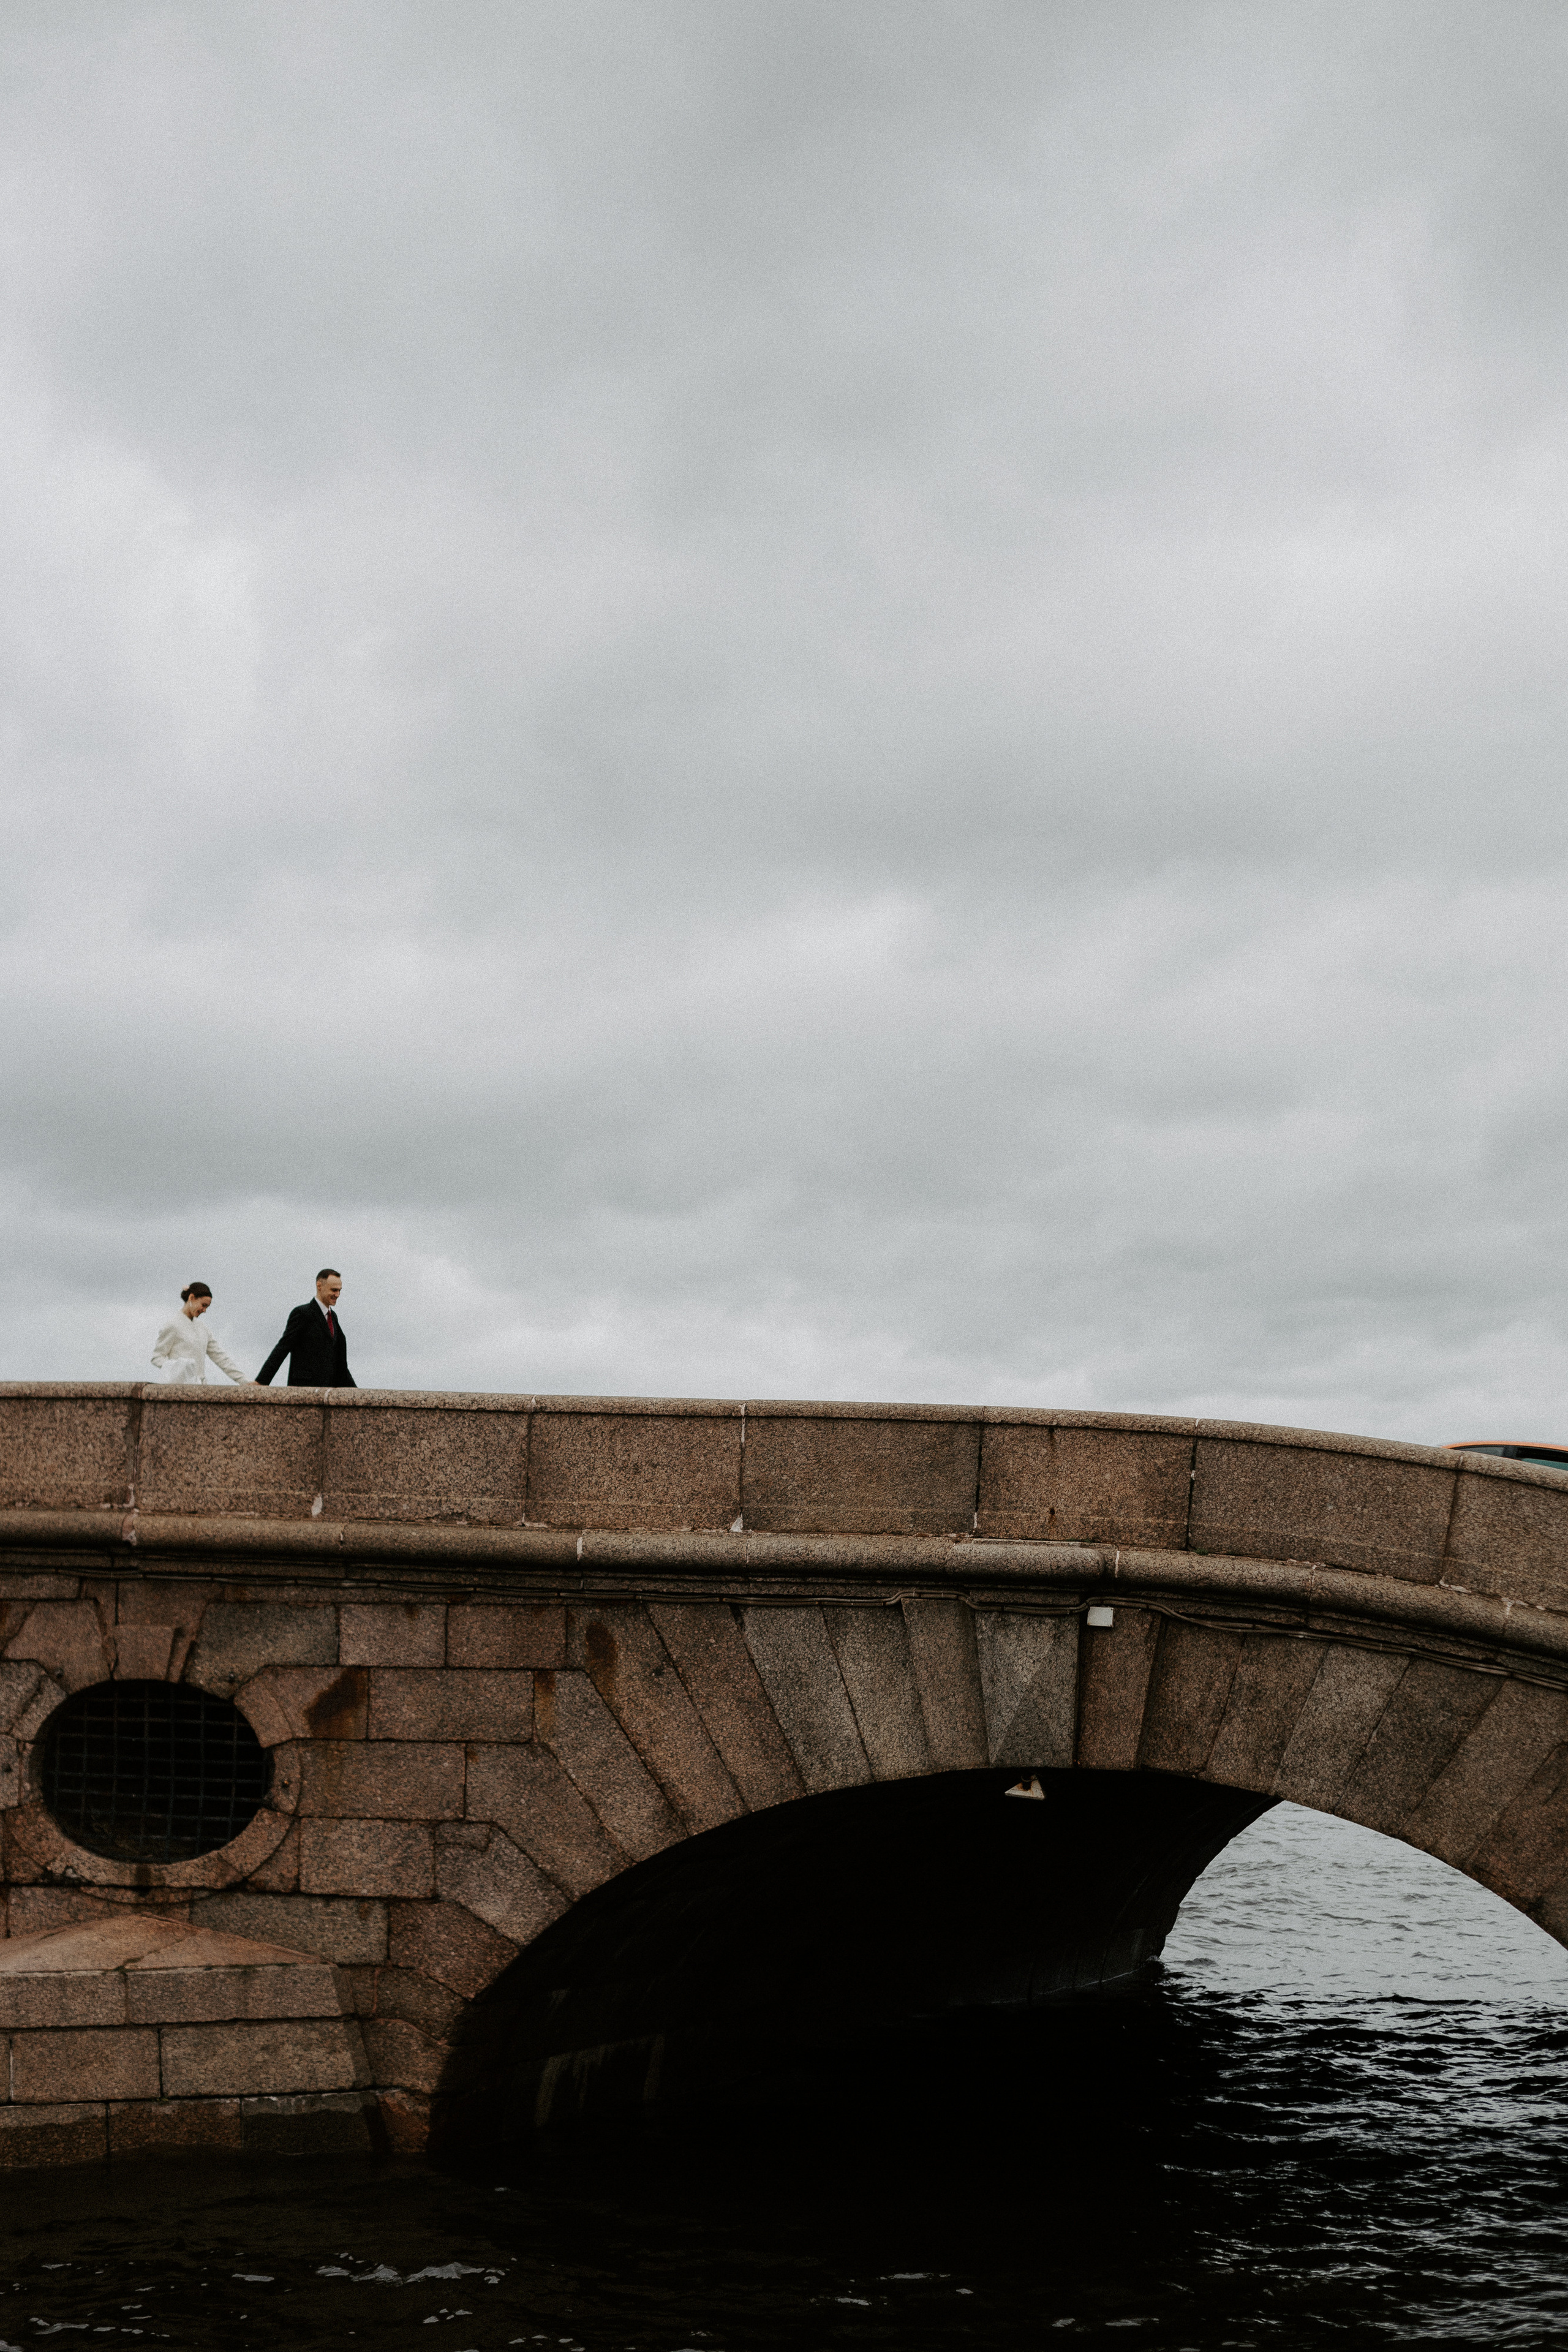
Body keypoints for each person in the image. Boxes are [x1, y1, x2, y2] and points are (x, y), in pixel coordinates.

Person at [255, 1268, 356, 1388]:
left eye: (339, 1291)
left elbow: (340, 1364)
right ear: (319, 1286)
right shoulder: (302, 1313)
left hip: (329, 1392)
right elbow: (283, 1348)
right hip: (304, 1390)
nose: (338, 1295)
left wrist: (358, 1395)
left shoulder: (333, 1317)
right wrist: (261, 1382)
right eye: (334, 1290)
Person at [151, 1284, 250, 1385]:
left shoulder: (203, 1328)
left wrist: (246, 1382)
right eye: (203, 1305)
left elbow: (220, 1357)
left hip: (200, 1387)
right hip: (178, 1387)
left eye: (207, 1307)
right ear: (192, 1298)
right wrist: (178, 1368)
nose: (205, 1310)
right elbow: (157, 1357)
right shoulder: (173, 1325)